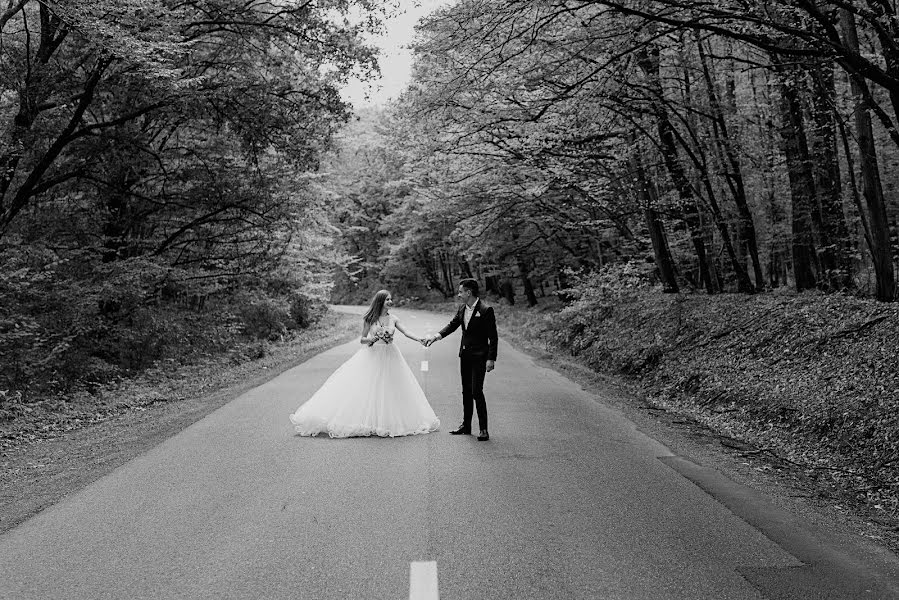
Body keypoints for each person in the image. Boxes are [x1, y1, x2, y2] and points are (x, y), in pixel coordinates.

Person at [289, 290, 440, 438]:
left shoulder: (393, 318)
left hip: (391, 354)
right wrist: (373, 339)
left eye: (391, 299)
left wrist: (419, 339)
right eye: (387, 299)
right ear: (380, 301)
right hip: (373, 355)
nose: (390, 302)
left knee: (391, 387)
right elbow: (362, 339)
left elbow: (406, 332)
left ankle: (387, 421)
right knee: (370, 387)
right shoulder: (370, 319)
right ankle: (367, 421)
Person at [423, 278, 497, 441]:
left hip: (480, 357)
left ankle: (483, 429)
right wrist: (436, 337)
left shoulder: (485, 310)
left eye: (461, 291)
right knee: (466, 391)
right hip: (465, 356)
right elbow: (453, 324)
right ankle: (466, 425)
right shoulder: (462, 308)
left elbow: (493, 337)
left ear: (469, 292)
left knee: (476, 391)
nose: (459, 294)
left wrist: (491, 359)